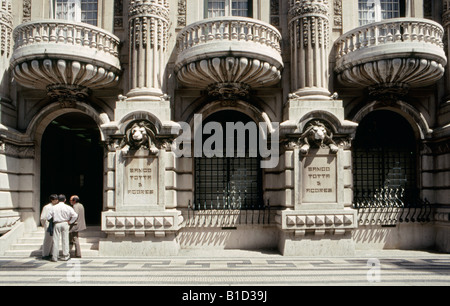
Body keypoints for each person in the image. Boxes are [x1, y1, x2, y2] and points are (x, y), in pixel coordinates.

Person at [47, 194, 78, 262]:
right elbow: (75, 215)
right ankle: (66, 256)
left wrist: (53, 219)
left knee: (55, 240)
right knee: (65, 240)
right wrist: (70, 222)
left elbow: (48, 217)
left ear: (58, 200)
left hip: (57, 223)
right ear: (65, 200)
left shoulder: (53, 207)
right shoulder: (68, 207)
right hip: (65, 223)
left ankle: (54, 257)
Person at [40, 194, 58, 260]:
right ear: (51, 200)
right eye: (54, 199)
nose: (56, 201)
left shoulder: (57, 206)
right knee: (47, 239)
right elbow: (43, 217)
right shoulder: (47, 207)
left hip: (55, 224)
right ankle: (45, 254)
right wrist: (43, 224)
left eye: (57, 199)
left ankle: (51, 253)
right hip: (48, 224)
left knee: (54, 239)